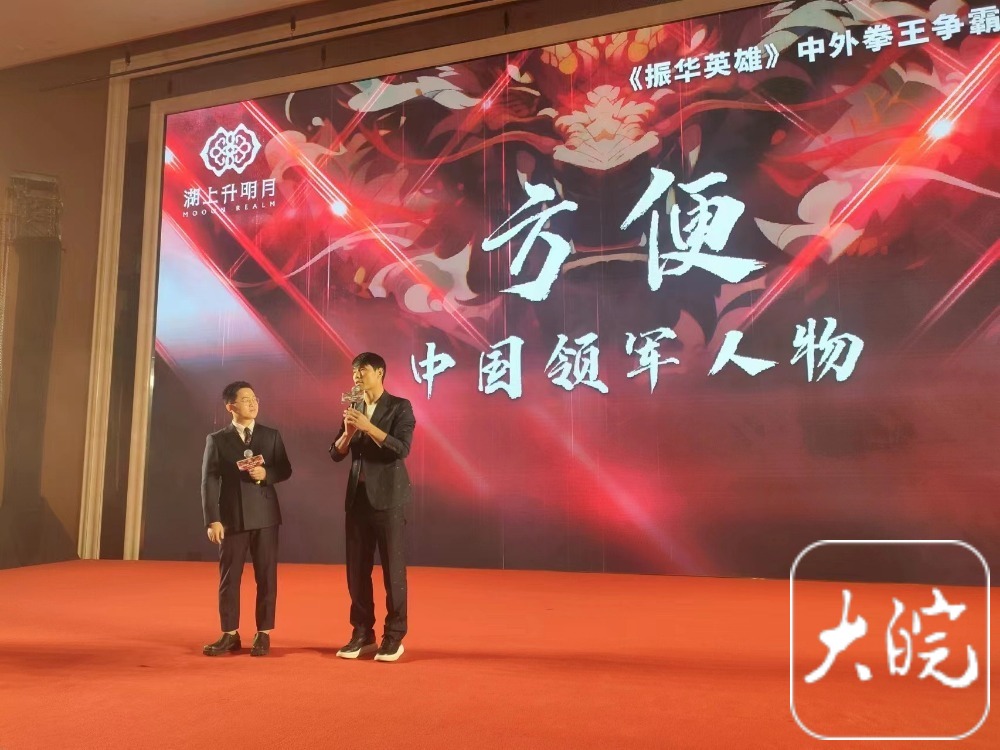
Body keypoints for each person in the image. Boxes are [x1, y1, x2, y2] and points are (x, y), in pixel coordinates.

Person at [330, 352, 416, 662]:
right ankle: (362, 633)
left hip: (389, 499)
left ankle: (394, 636)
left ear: (379, 373)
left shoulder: (399, 406)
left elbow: (401, 448)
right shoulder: (353, 408)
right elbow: (336, 453)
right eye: (354, 371)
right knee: (356, 571)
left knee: (393, 572)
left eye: (363, 370)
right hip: (358, 500)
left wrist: (368, 427)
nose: (356, 376)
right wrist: (348, 433)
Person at [201, 381, 293, 657]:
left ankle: (263, 633)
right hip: (232, 518)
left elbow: (285, 469)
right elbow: (209, 480)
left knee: (266, 576)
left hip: (265, 516)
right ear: (231, 406)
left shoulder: (271, 435)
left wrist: (267, 475)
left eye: (254, 398)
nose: (253, 403)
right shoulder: (218, 439)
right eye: (245, 399)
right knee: (230, 577)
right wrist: (213, 519)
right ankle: (229, 633)